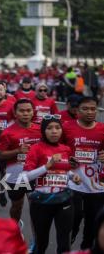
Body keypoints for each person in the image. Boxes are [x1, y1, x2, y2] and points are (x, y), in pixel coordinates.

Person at [22, 115, 81, 254]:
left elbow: (63, 171)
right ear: (43, 131)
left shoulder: (65, 149)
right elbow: (25, 176)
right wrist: (47, 166)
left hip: (64, 200)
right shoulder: (36, 148)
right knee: (42, 242)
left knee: (64, 242)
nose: (54, 131)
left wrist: (73, 177)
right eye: (49, 128)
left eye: (57, 128)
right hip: (42, 201)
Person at [62, 96, 104, 249]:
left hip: (97, 185)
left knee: (93, 222)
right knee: (75, 216)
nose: (89, 112)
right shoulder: (66, 127)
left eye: (93, 109)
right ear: (77, 111)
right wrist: (66, 159)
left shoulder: (102, 129)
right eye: (85, 109)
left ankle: (85, 247)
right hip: (74, 181)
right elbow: (55, 148)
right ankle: (71, 235)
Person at [0, 98, 41, 224]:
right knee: (17, 206)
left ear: (33, 112)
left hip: (36, 172)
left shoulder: (40, 130)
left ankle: (36, 239)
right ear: (15, 113)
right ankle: (14, 230)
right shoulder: (7, 132)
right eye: (21, 111)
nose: (25, 113)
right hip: (17, 175)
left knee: (36, 207)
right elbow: (0, 155)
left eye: (28, 110)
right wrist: (18, 151)